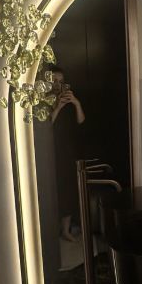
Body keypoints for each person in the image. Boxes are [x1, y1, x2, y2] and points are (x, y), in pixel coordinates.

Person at [50, 66, 85, 242]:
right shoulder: (45, 101)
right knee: (55, 190)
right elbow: (45, 127)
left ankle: (66, 229)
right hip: (51, 152)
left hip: (68, 151)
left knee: (69, 190)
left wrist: (76, 103)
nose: (58, 85)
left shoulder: (70, 100)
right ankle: (56, 229)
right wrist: (57, 107)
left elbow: (81, 122)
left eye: (61, 81)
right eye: (54, 81)